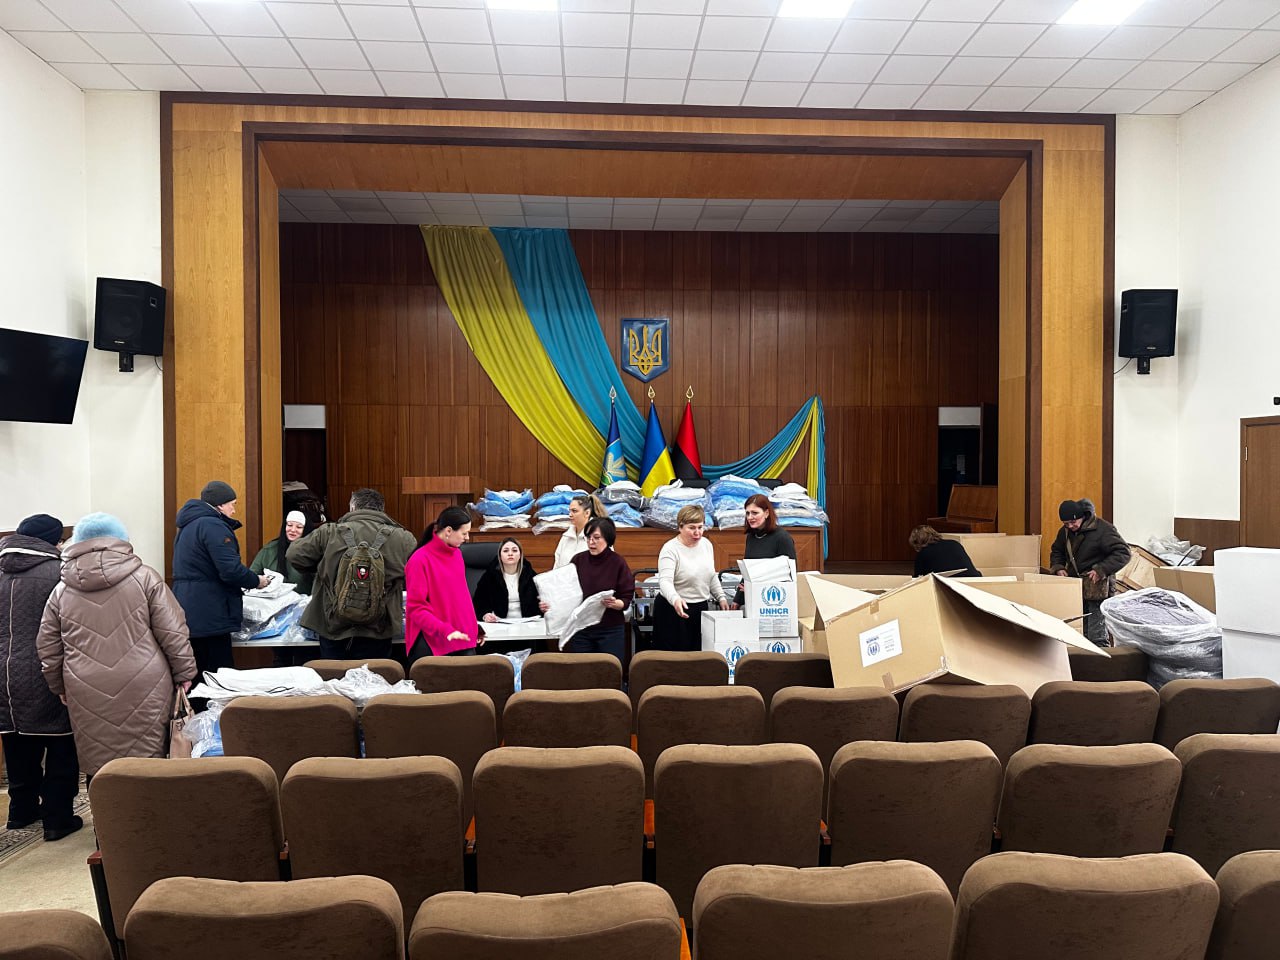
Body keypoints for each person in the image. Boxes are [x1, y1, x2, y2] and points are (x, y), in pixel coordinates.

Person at [37, 514, 196, 791]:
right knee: (149, 757)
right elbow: (173, 631)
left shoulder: (61, 590)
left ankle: (106, 816)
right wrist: (184, 673)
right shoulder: (145, 578)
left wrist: (58, 685)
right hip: (145, 682)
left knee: (100, 757)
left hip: (84, 685)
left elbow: (48, 647)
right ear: (120, 540)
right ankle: (150, 813)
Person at [0, 514, 81, 841]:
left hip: (2, 674)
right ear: (54, 541)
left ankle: (20, 811)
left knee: (15, 740)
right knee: (61, 744)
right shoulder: (58, 573)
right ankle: (57, 818)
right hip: (46, 669)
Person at [287, 487, 416, 661]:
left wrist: (321, 570)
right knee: (374, 676)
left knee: (334, 675)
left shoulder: (329, 532)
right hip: (378, 627)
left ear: (353, 507)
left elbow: (294, 555)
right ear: (381, 509)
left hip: (333, 624)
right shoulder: (404, 539)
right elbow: (416, 573)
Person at [172, 481, 269, 680]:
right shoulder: (213, 525)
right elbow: (230, 570)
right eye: (232, 504)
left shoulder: (188, 525)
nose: (234, 510)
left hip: (190, 607)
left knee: (197, 671)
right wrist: (256, 581)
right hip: (210, 610)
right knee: (218, 675)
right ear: (220, 505)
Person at [1050, 499, 1132, 647]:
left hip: (1098, 587)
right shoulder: (1065, 532)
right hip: (1076, 587)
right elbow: (1057, 551)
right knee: (1079, 632)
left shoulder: (1103, 529)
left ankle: (1100, 659)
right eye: (1066, 523)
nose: (1070, 526)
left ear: (1082, 516)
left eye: (1073, 522)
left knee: (1097, 635)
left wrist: (1101, 569)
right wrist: (1058, 567)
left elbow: (1123, 552)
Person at [405, 506, 483, 661]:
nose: (467, 538)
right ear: (448, 531)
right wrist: (445, 630)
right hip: (433, 640)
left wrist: (474, 628)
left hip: (460, 637)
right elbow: (416, 608)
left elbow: (461, 599)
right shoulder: (419, 560)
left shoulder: (457, 555)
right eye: (464, 533)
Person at [654, 505, 728, 652]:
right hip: (672, 610)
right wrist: (675, 599)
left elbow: (710, 575)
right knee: (672, 658)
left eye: (700, 527)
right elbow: (665, 581)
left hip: (699, 608)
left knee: (697, 656)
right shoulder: (670, 549)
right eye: (692, 528)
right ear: (680, 527)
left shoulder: (706, 545)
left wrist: (721, 597)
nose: (697, 532)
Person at [563, 517, 634, 661]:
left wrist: (615, 603)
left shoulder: (618, 562)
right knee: (581, 669)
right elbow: (566, 590)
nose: (591, 542)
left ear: (608, 539)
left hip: (610, 628)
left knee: (610, 670)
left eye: (596, 538)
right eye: (588, 537)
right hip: (581, 628)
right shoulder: (578, 560)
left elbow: (626, 597)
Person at [733, 493, 797, 608]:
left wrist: (757, 587)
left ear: (766, 513)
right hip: (753, 598)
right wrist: (737, 600)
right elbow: (748, 571)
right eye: (747, 513)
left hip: (775, 602)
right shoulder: (751, 537)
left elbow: (789, 576)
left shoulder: (782, 538)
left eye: (755, 513)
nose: (750, 517)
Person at [473, 537, 539, 622]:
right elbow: (478, 603)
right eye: (506, 551)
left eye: (514, 550)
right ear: (500, 556)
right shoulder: (489, 576)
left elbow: (539, 603)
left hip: (527, 623)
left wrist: (543, 608)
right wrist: (485, 615)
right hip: (498, 623)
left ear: (520, 555)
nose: (510, 554)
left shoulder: (530, 575)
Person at [250, 510, 316, 595]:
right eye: (289, 525)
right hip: (272, 600)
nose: (293, 530)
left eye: (299, 527)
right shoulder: (270, 549)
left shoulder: (314, 552)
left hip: (303, 600)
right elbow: (252, 575)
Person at [553, 493, 605, 568]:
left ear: (587, 513)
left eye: (574, 511)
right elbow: (557, 565)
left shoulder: (600, 537)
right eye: (570, 511)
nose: (570, 515)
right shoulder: (566, 537)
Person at [910, 525, 982, 578]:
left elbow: (918, 578)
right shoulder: (954, 543)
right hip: (974, 578)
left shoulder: (923, 553)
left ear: (916, 541)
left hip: (951, 584)